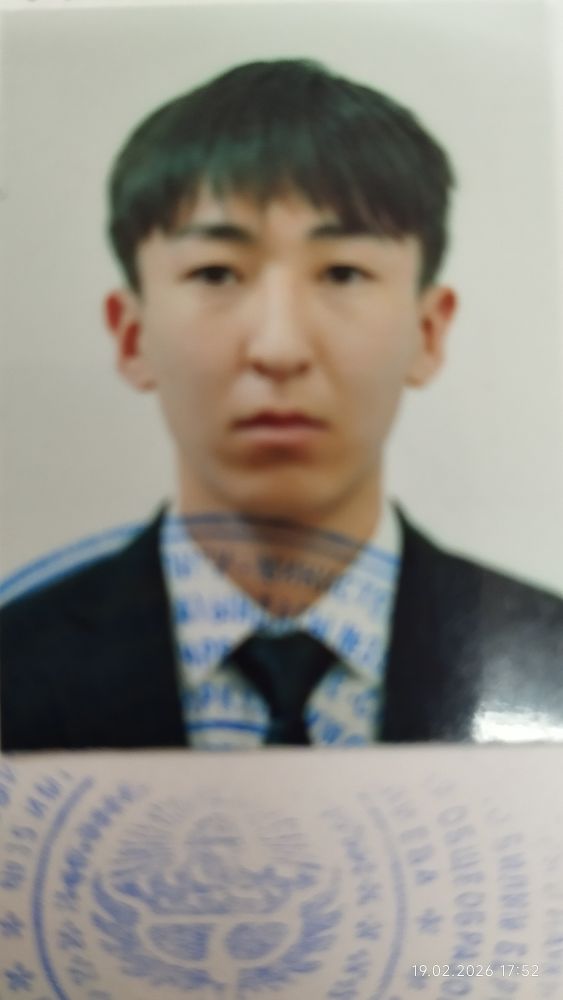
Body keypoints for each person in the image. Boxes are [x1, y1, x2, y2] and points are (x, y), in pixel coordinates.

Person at [2, 59, 562, 753]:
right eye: (216, 273)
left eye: (343, 272)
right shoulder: (14, 667)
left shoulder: (546, 662)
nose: (278, 347)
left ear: (428, 331)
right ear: (131, 334)